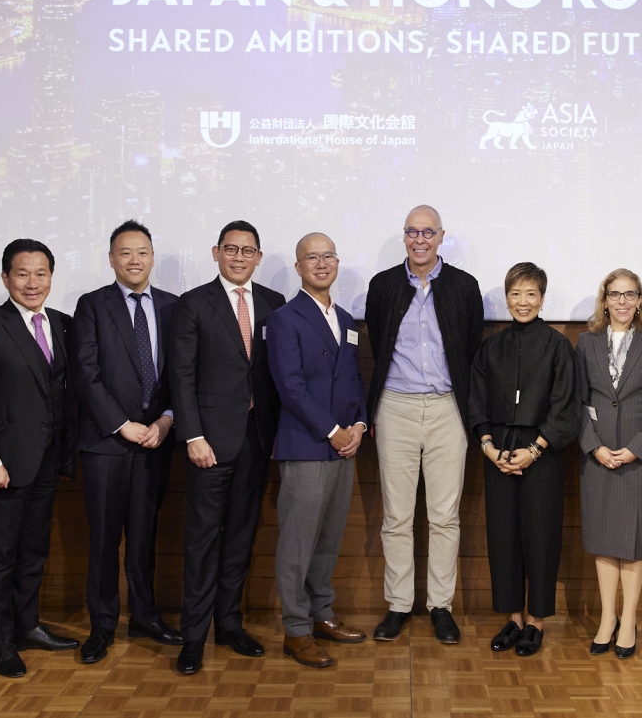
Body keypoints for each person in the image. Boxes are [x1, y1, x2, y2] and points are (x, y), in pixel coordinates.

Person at [169, 220, 284, 675]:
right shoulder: (194, 303)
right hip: (209, 444)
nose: (239, 257)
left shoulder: (275, 305)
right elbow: (181, 375)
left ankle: (229, 624)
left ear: (258, 257)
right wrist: (193, 436)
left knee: (240, 537)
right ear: (216, 252)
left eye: (248, 250)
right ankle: (193, 636)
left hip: (257, 441)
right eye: (231, 249)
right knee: (201, 541)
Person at [364, 205, 483, 644]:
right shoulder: (384, 285)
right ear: (404, 236)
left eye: (427, 232)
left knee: (443, 517)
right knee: (396, 516)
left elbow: (468, 346)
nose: (419, 240)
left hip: (448, 407)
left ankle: (440, 606)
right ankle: (398, 604)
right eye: (412, 232)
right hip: (395, 405)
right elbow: (379, 341)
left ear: (441, 236)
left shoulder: (463, 287)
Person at [0, 239, 79, 678]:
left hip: (46, 462)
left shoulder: (62, 325)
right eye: (23, 274)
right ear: (6, 277)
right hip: (3, 465)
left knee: (33, 551)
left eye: (41, 273)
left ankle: (27, 625)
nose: (33, 283)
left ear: (51, 276)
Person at [70, 220, 182, 665]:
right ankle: (102, 624)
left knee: (144, 536)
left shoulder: (175, 307)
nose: (134, 260)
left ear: (152, 257)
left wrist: (168, 420)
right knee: (103, 539)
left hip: (156, 440)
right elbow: (85, 374)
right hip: (106, 444)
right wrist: (121, 424)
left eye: (142, 252)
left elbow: (181, 374)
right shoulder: (92, 305)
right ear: (111, 258)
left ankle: (145, 616)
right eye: (125, 253)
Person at [266, 233, 368, 667]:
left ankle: (321, 614)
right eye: (312, 257)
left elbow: (353, 381)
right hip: (307, 444)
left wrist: (359, 426)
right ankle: (296, 628)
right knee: (298, 542)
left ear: (337, 262)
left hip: (345, 447)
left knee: (327, 540)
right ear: (299, 267)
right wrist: (332, 430)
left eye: (328, 256)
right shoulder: (284, 319)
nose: (321, 263)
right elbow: (289, 386)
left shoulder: (346, 318)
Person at [468, 262, 577, 656]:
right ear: (507, 297)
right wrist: (488, 446)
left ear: (543, 298)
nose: (523, 302)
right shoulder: (491, 346)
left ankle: (537, 621)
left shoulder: (557, 346)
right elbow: (476, 401)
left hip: (541, 452)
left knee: (540, 537)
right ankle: (513, 619)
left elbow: (566, 407)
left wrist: (534, 450)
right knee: (504, 537)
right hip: (497, 449)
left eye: (531, 294)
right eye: (516, 294)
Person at [576, 269, 642, 658]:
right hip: (598, 457)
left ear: (639, 300)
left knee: (633, 543)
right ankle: (606, 618)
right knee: (603, 540)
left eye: (629, 295)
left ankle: (629, 620)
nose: (621, 302)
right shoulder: (586, 343)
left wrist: (637, 447)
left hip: (639, 459)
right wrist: (593, 446)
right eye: (614, 295)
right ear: (604, 300)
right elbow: (577, 401)